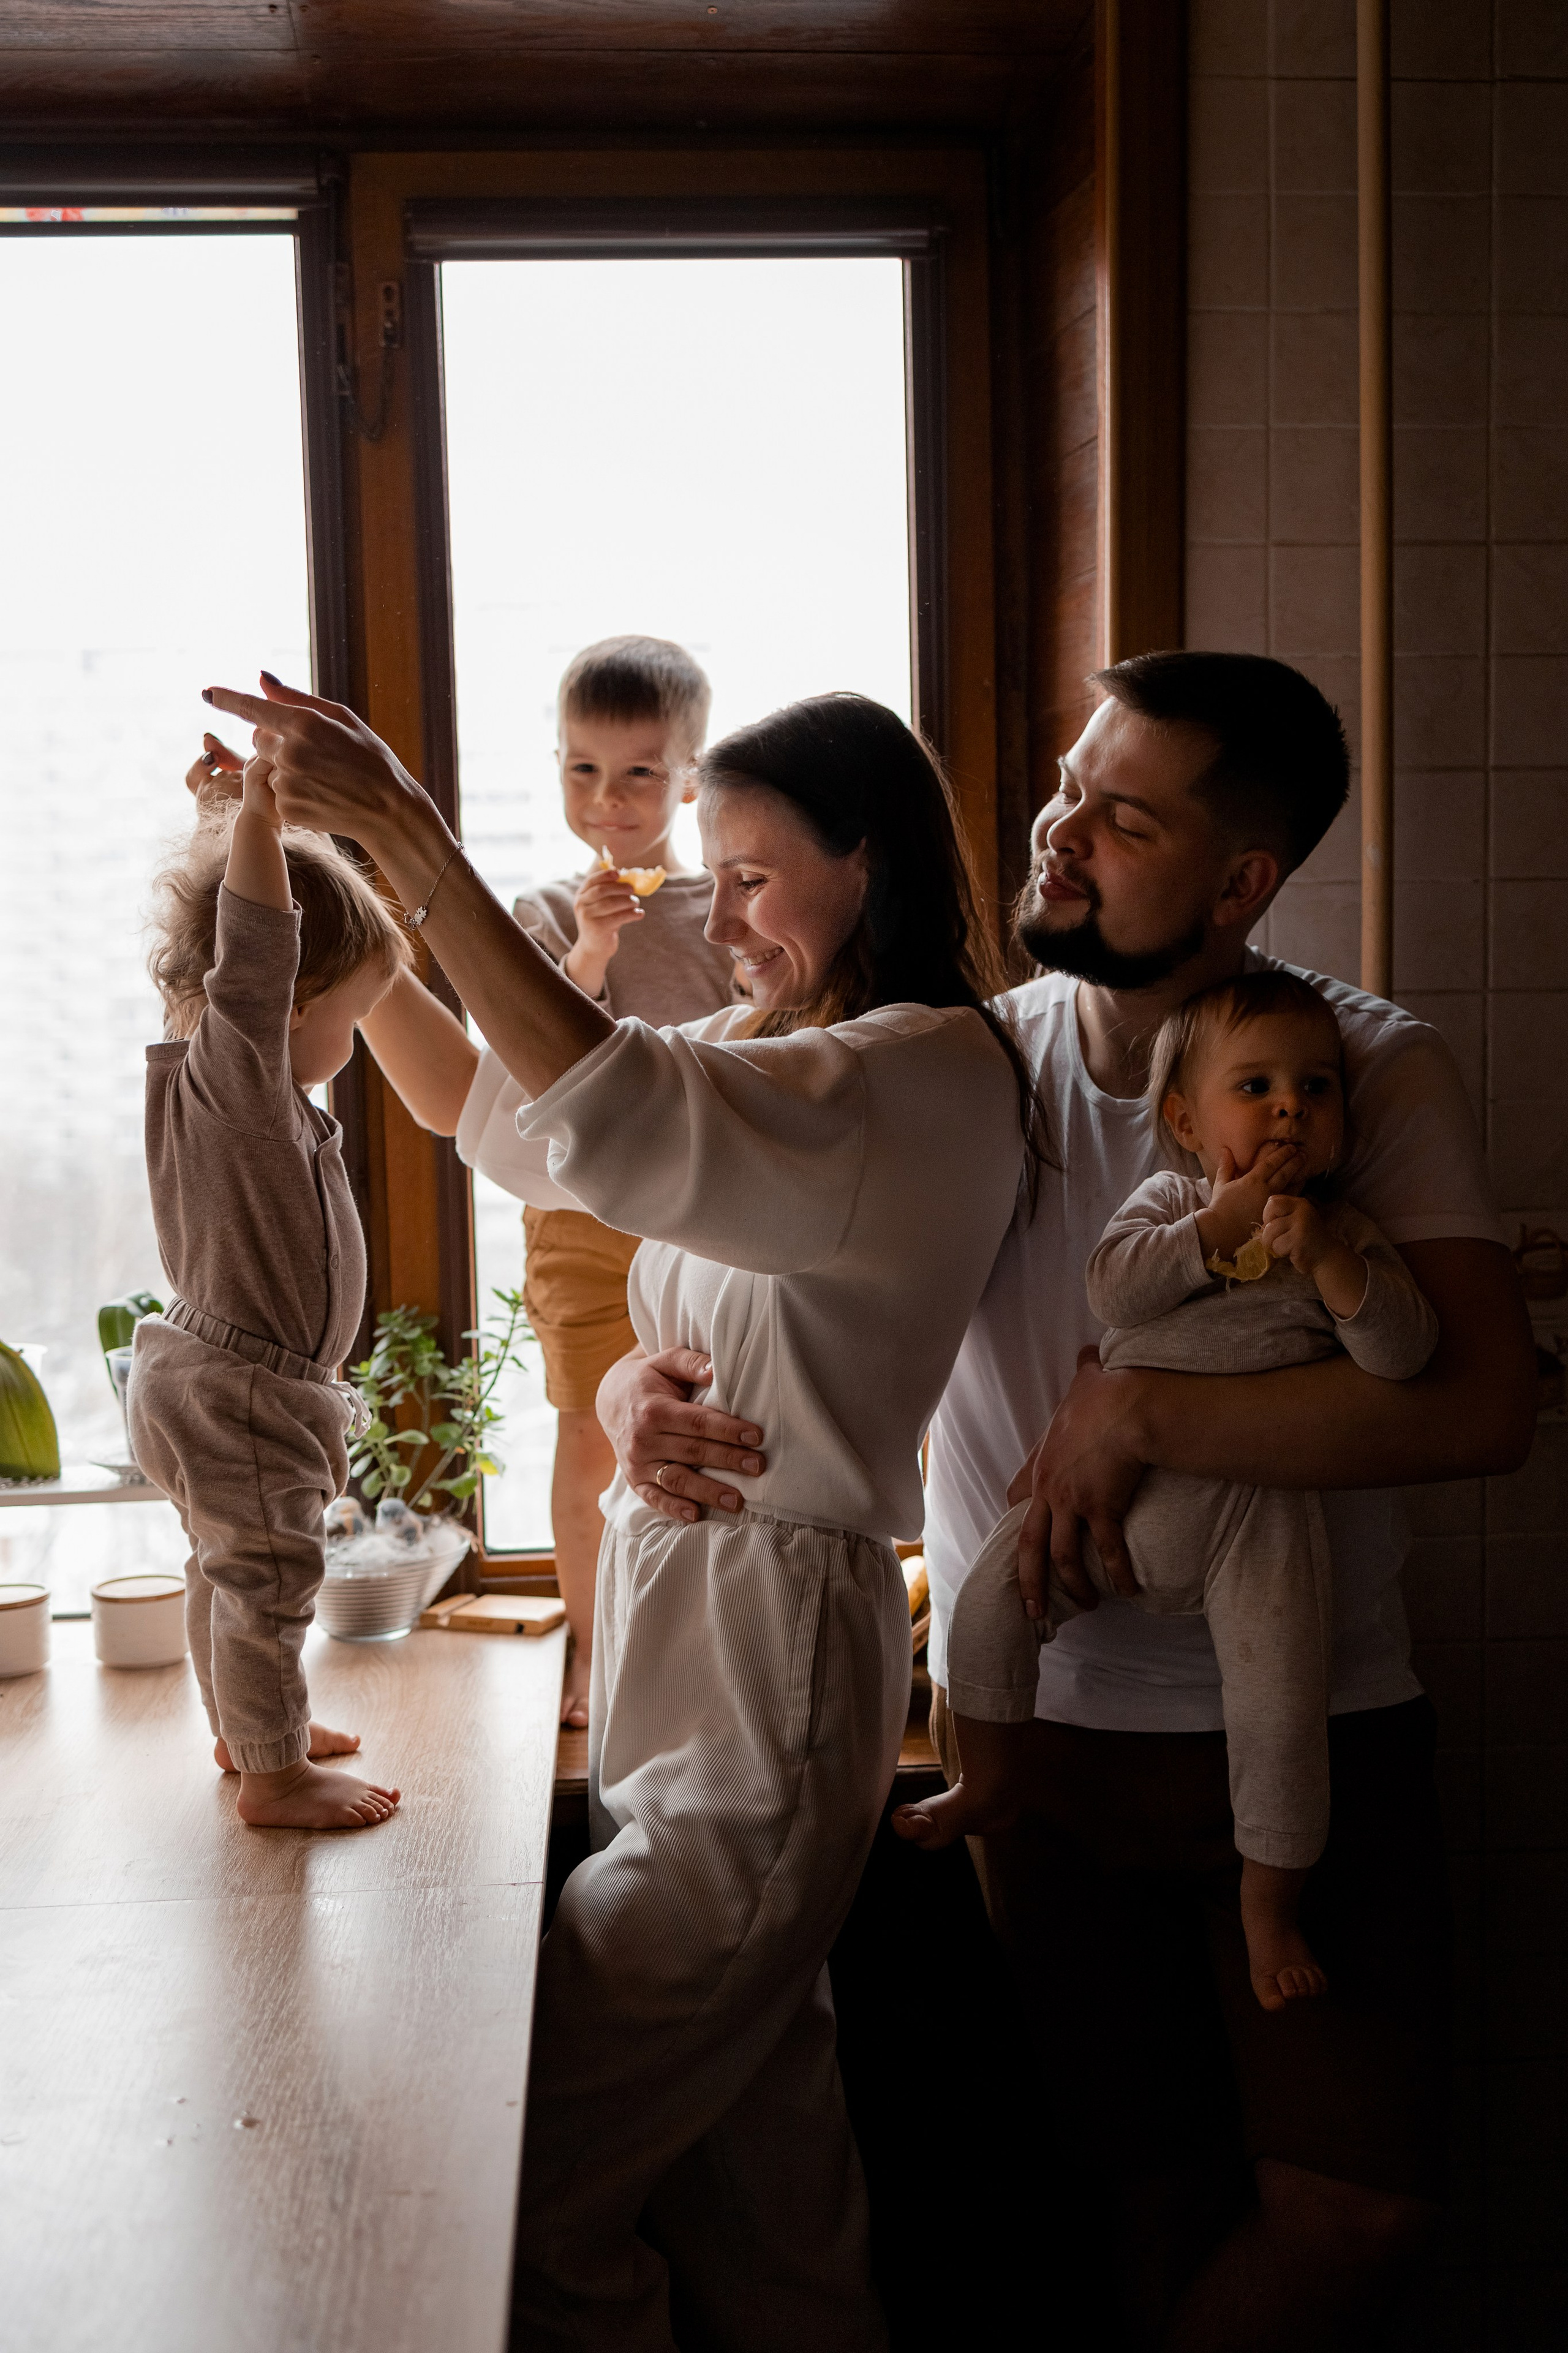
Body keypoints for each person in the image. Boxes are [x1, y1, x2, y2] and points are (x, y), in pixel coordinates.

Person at [600, 651, 1535, 2349]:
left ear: (1242, 880)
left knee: (1360, 2214)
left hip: (1318, 1715)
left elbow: (1479, 1403)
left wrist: (1144, 1416)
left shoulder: (1357, 1068)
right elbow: (733, 1260)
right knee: (1134, 2191)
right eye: (1066, 783)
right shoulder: (965, 1064)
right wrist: (630, 1388)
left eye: (1124, 813)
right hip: (1033, 1734)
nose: (1060, 828)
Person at [200, 668, 1046, 2352]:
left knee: (533, 2171)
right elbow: (508, 1123)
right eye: (708, 874)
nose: (714, 912)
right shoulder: (763, 1044)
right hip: (685, 1634)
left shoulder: (922, 1072)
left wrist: (405, 829)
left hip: (776, 1663)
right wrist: (324, 879)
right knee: (762, 2184)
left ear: (866, 862)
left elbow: (625, 1119)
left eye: (748, 873)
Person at [897, 969, 1439, 2015]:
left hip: (1261, 1518)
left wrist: (1331, 1263)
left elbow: (1404, 1352)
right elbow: (1117, 1288)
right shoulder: (1170, 1204)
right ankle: (993, 1774)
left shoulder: (1346, 1230)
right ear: (1187, 1120)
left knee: (1284, 1709)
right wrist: (1220, 1222)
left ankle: (1269, 1901)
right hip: (1116, 1497)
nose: (1292, 1107)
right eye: (1259, 1086)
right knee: (989, 1605)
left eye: (1317, 1088)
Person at [336, 634, 735, 1729]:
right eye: (583, 770)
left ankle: (695, 1646)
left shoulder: (723, 911)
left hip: (702, 1216)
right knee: (586, 1434)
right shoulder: (539, 912)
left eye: (642, 771)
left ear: (692, 779)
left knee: (707, 1432)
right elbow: (517, 1074)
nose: (610, 799)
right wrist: (589, 959)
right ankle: (594, 1651)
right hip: (576, 1217)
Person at [127, 746, 408, 1830]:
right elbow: (248, 946)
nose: (353, 1041)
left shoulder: (227, 1075)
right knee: (268, 1581)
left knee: (226, 1567)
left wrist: (223, 817)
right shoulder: (241, 1075)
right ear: (288, 1001)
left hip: (218, 1374)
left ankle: (251, 1735)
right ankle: (275, 1776)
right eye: (354, 1010)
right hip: (244, 1385)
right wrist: (250, 813)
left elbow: (227, 940)